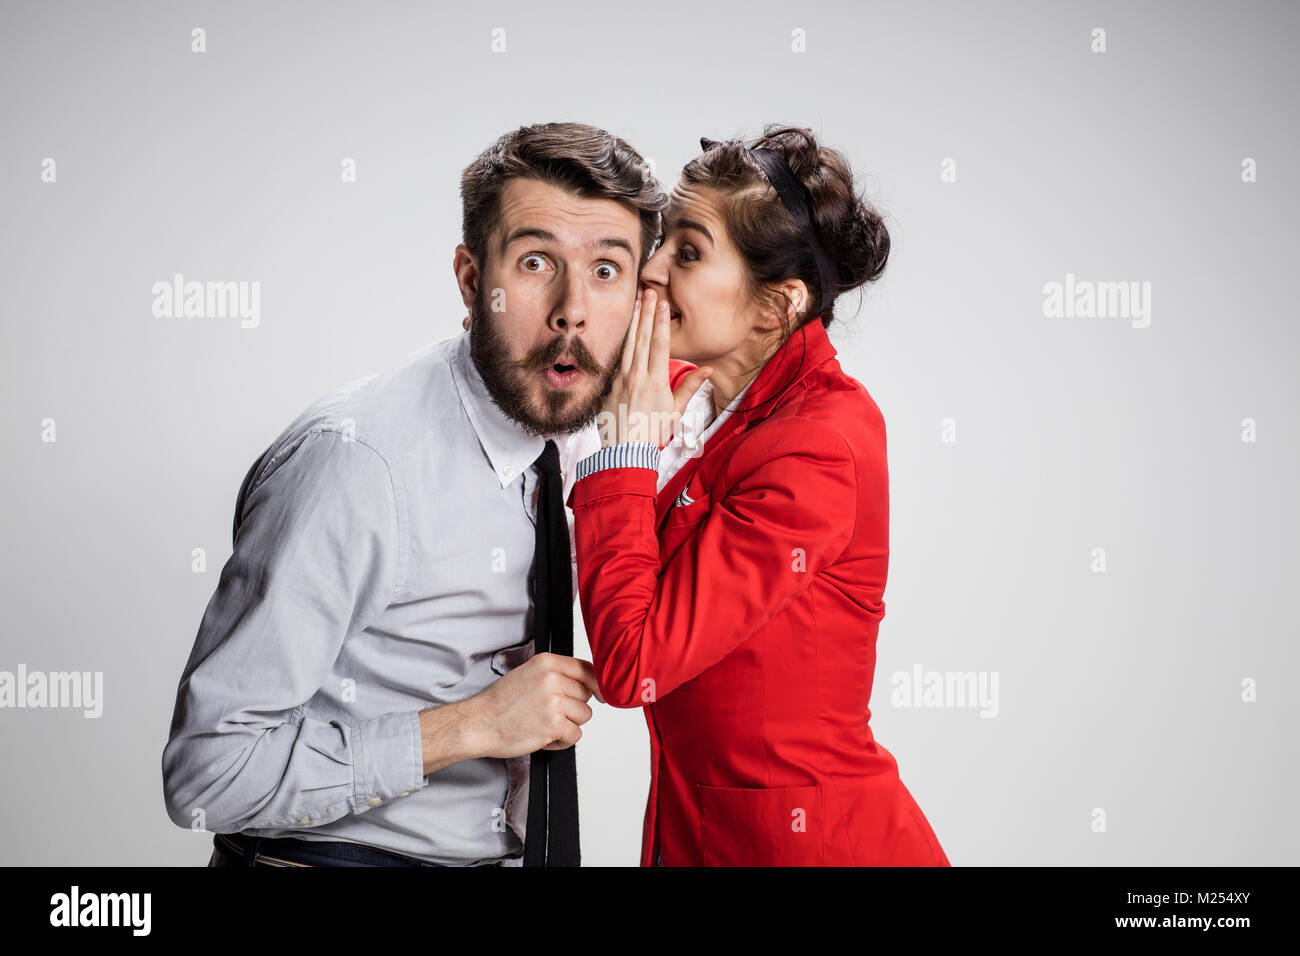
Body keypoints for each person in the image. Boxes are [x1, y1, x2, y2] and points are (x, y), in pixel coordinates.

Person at [161, 121, 665, 867]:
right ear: (471, 281)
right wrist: (471, 728)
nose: (572, 311)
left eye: (606, 271)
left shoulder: (580, 434)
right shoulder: (358, 467)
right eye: (535, 263)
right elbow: (208, 775)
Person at [569, 126, 951, 866]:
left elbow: (632, 660)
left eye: (687, 251)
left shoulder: (820, 443)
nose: (650, 271)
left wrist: (621, 452)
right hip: (698, 832)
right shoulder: (686, 393)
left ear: (777, 306)